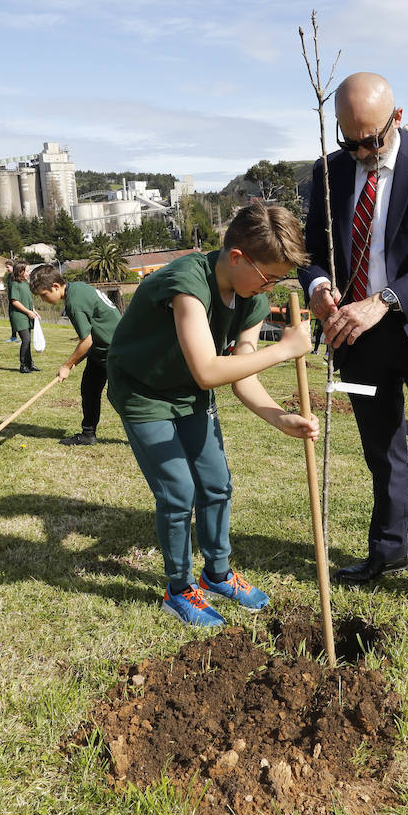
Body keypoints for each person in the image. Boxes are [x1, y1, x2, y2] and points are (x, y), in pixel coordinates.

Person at [301, 71, 408, 629]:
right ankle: (387, 548)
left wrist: (385, 299)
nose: (359, 152)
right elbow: (311, 251)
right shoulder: (328, 173)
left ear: (397, 119)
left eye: (370, 140)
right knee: (381, 451)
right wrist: (318, 288)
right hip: (358, 339)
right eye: (348, 141)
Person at [106, 204, 317, 627]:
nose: (271, 287)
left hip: (187, 393)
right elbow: (208, 372)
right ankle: (179, 589)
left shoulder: (250, 299)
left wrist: (279, 417)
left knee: (216, 484)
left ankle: (217, 574)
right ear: (237, 257)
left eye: (278, 280)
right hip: (143, 392)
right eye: (268, 277)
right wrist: (286, 349)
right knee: (178, 493)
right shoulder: (187, 284)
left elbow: (241, 374)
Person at [30, 265, 122, 445]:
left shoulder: (74, 302)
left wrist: (66, 366)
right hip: (99, 349)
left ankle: (149, 432)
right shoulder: (77, 288)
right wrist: (72, 364)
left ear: (56, 286)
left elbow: (86, 341)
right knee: (89, 390)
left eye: (43, 294)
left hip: (115, 350)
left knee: (121, 396)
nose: (43, 299)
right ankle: (88, 434)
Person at [7, 262, 41, 373]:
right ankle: (23, 366)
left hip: (27, 315)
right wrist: (27, 312)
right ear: (20, 272)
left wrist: (34, 312)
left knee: (28, 341)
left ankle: (30, 364)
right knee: (25, 340)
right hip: (19, 316)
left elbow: (28, 301)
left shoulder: (25, 284)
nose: (29, 272)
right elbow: (15, 301)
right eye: (27, 270)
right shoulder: (15, 284)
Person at [3, 260, 19, 342]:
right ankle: (13, 336)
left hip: (18, 301)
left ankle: (24, 338)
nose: (7, 269)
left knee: (18, 319)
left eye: (8, 267)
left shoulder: (17, 276)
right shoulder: (9, 276)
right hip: (11, 300)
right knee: (12, 318)